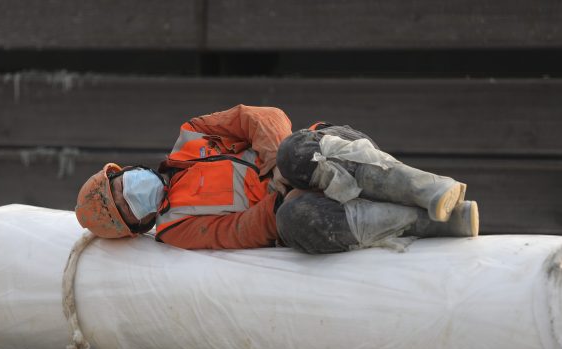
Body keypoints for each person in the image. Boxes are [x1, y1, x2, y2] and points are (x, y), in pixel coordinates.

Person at [75, 104, 479, 254]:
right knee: (293, 222)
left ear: (126, 170)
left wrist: (276, 167)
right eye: (125, 206)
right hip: (297, 203)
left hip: (322, 154)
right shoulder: (175, 228)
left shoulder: (192, 133)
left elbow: (260, 117)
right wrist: (279, 199)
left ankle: (429, 188)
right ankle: (440, 221)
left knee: (293, 150)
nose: (129, 193)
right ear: (139, 225)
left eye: (120, 185)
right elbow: (240, 231)